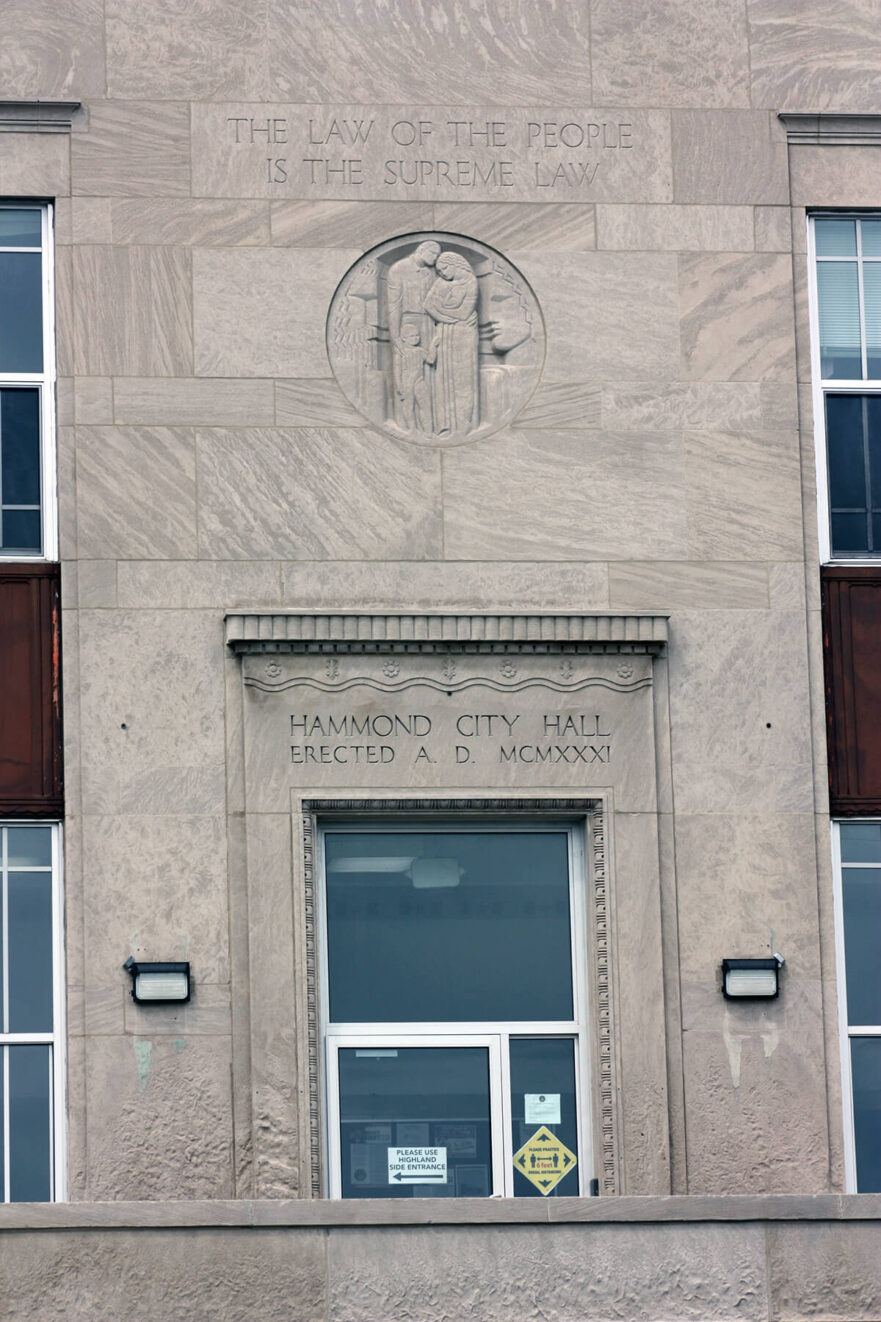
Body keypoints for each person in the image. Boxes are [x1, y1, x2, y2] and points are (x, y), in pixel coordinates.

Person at [423, 251, 479, 436]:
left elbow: (464, 313)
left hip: (463, 334)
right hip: (445, 332)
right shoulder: (441, 282)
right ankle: (445, 425)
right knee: (443, 376)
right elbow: (427, 305)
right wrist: (447, 316)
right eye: (438, 271)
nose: (442, 274)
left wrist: (441, 312)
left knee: (462, 377)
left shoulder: (470, 281)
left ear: (455, 263)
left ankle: (464, 425)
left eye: (444, 268)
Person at [393, 325, 437, 432]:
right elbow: (397, 370)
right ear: (404, 338)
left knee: (425, 405)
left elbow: (431, 360)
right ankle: (412, 429)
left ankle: (428, 431)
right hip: (406, 383)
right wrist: (399, 386)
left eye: (417, 335)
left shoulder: (420, 351)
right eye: (412, 336)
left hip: (419, 381)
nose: (416, 338)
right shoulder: (400, 354)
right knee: (408, 406)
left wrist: (433, 346)